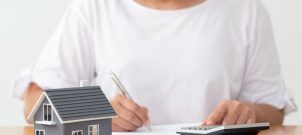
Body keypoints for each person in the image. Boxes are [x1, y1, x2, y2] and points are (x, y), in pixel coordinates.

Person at [13, 0, 296, 132]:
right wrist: (97, 111)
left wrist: (248, 112)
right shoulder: (95, 7)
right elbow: (34, 103)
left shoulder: (245, 10)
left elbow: (273, 111)